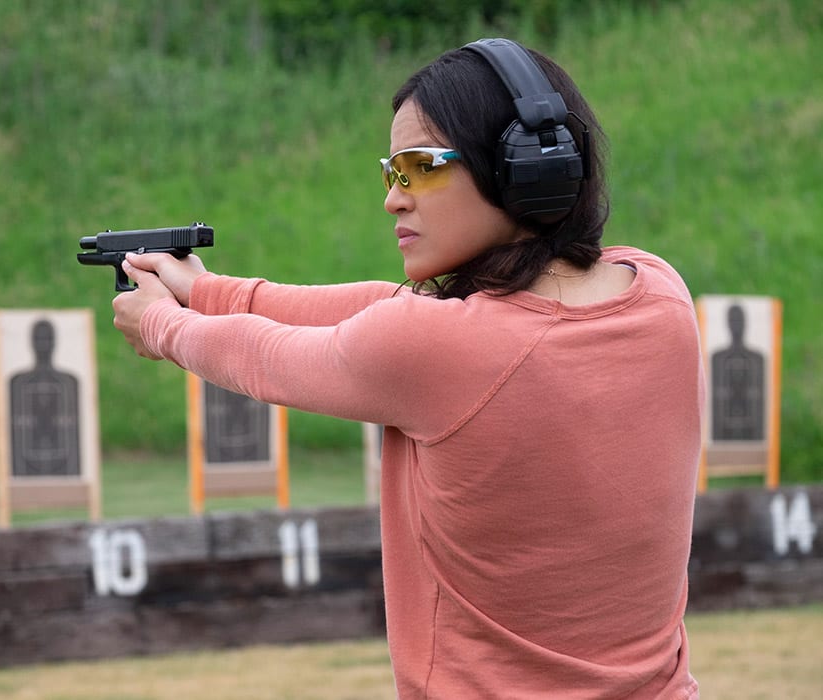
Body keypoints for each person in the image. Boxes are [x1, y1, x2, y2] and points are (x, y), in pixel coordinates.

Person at [112, 37, 703, 699]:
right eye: (391, 172)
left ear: (516, 169)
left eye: (418, 167)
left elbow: (277, 355)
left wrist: (161, 325)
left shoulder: (438, 347)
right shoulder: (659, 292)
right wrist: (206, 290)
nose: (394, 198)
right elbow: (400, 313)